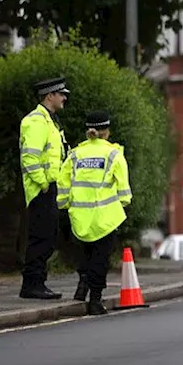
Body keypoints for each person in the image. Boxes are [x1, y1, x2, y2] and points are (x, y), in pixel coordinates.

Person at [56, 110, 131, 315]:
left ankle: (82, 285)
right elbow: (124, 192)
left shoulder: (75, 154)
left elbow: (63, 182)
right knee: (100, 259)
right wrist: (121, 203)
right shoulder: (113, 154)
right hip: (105, 219)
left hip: (80, 217)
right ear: (106, 131)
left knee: (84, 255)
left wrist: (64, 204)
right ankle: (95, 300)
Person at [17, 76, 70, 300]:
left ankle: (38, 282)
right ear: (50, 96)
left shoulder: (50, 121)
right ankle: (32, 285)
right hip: (41, 190)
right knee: (41, 238)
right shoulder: (36, 122)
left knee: (48, 237)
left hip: (49, 188)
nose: (65, 98)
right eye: (61, 94)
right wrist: (43, 183)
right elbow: (30, 158)